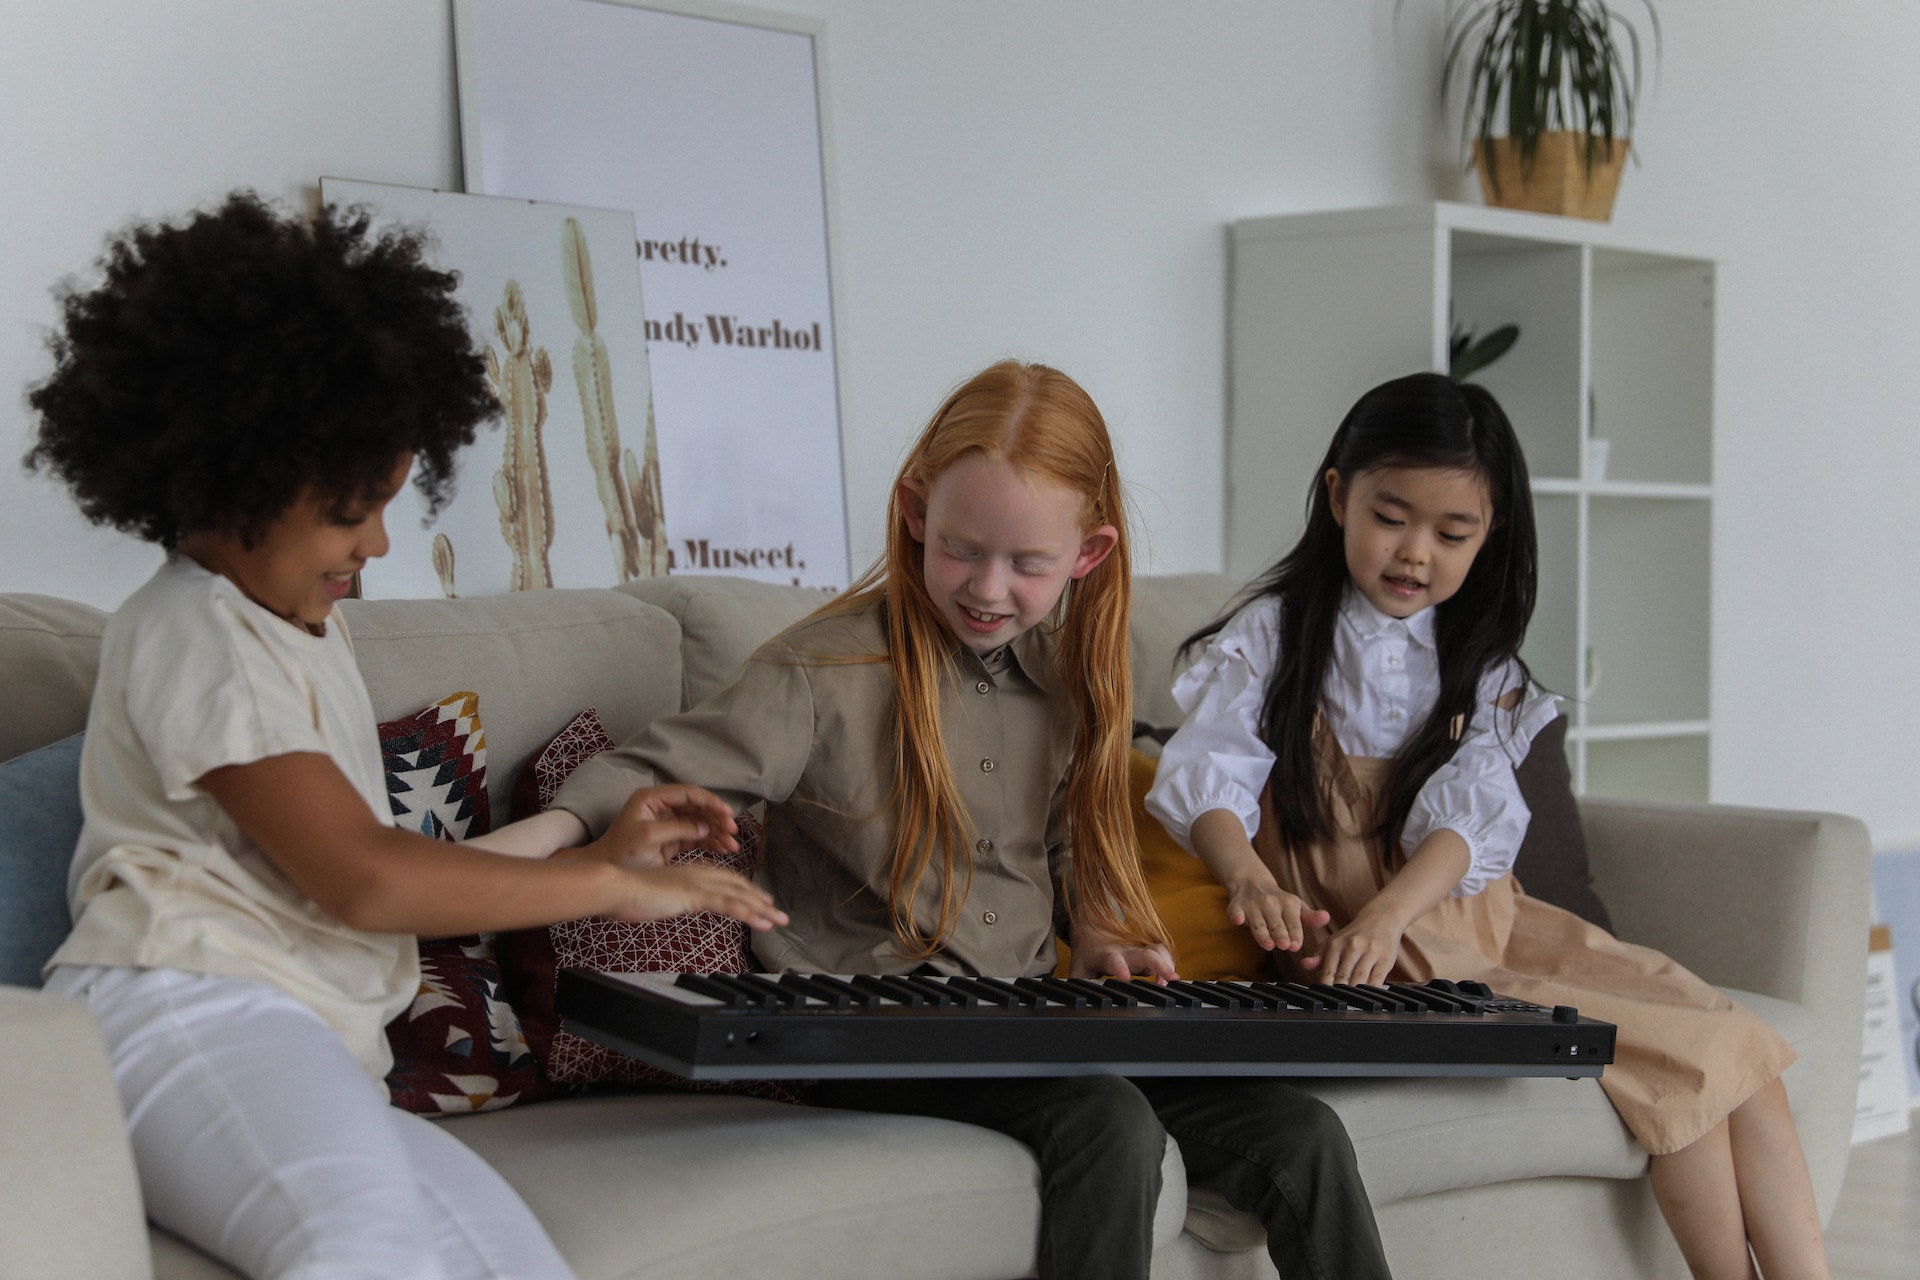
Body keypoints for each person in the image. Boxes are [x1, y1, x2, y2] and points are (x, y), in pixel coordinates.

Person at [25, 192, 786, 1280]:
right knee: (360, 1250)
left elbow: (401, 873)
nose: (378, 542)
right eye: (350, 510)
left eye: (386, 501)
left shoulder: (297, 626)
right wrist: (606, 889)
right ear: (236, 478)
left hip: (303, 1033)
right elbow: (370, 884)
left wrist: (596, 844)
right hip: (177, 1003)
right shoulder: (205, 633)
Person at [546, 359, 1391, 1280]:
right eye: (961, 549)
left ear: (1089, 555)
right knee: (1106, 1118)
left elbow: (1068, 853)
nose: (989, 588)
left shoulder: (1072, 680)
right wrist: (529, 853)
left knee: (1303, 1132)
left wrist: (1104, 931)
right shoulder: (823, 671)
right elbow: (653, 771)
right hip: (880, 1034)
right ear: (915, 513)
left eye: (1029, 565)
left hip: (1030, 1024)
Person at [1146, 371, 1828, 1280]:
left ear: (1490, 534)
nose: (1415, 552)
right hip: (1394, 962)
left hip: (1483, 926)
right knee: (1693, 1072)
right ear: (1338, 495)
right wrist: (1250, 877)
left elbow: (1470, 823)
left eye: (1452, 532)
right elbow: (1212, 780)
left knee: (1739, 1051)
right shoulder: (1272, 637)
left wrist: (1394, 909)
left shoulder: (1478, 661)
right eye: (1392, 517)